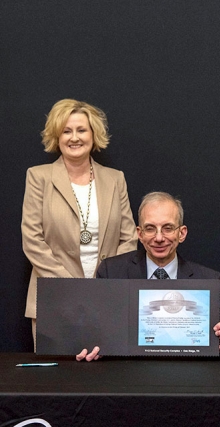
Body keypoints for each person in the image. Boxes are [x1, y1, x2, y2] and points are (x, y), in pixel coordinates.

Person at [76, 192, 220, 361]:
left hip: (188, 378)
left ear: (182, 233)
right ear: (139, 233)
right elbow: (93, 334)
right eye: (150, 229)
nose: (159, 238)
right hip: (126, 377)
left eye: (168, 228)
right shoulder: (111, 273)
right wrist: (91, 345)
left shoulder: (211, 281)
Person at [22, 99, 138, 345]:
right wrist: (71, 287)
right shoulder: (38, 177)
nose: (74, 137)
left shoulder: (115, 179)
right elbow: (32, 240)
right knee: (57, 378)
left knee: (104, 379)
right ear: (57, 136)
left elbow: (129, 238)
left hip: (107, 300)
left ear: (93, 135)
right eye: (66, 131)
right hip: (54, 296)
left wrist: (104, 286)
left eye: (81, 130)